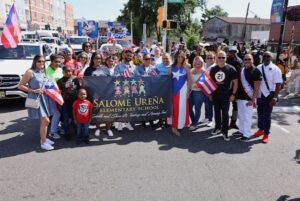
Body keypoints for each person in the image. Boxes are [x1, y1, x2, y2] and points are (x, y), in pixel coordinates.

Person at [18, 55, 55, 151]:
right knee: (46, 120)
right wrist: (33, 91)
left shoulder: (43, 72)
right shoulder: (30, 72)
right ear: (35, 61)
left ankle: (43, 138)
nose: (41, 63)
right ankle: (43, 143)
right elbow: (20, 86)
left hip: (44, 98)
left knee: (43, 121)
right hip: (36, 98)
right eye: (39, 61)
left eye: (43, 61)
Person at [252, 51, 282, 144]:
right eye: (264, 56)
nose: (265, 57)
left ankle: (266, 133)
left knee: (267, 115)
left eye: (268, 56)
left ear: (271, 58)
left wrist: (275, 97)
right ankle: (260, 129)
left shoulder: (275, 69)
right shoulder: (258, 67)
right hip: (260, 94)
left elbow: (278, 85)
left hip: (270, 94)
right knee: (260, 113)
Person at [209, 51, 238, 141]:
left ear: (226, 58)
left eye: (223, 57)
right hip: (215, 95)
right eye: (219, 57)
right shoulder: (213, 69)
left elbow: (235, 83)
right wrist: (210, 93)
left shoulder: (231, 69)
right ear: (216, 58)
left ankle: (225, 131)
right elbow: (210, 83)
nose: (221, 59)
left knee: (225, 114)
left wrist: (233, 94)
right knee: (216, 112)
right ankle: (217, 127)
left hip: (226, 95)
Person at [236, 54, 262, 141]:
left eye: (249, 59)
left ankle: (246, 135)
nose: (247, 60)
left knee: (247, 117)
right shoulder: (242, 70)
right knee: (241, 116)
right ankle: (242, 130)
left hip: (249, 99)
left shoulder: (256, 71)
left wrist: (252, 100)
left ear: (252, 60)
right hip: (240, 98)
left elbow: (257, 88)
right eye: (245, 59)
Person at [170, 50, 191, 136]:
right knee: (175, 109)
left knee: (182, 109)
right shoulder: (171, 67)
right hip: (174, 91)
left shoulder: (186, 67)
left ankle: (181, 124)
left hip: (183, 90)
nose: (180, 58)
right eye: (179, 56)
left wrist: (188, 92)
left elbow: (189, 80)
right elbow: (167, 81)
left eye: (182, 57)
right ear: (176, 57)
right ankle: (174, 128)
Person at [57, 65, 81, 140]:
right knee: (66, 118)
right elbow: (58, 93)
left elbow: (79, 89)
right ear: (63, 72)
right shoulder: (60, 81)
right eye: (66, 71)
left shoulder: (75, 79)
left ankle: (77, 131)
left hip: (75, 102)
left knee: (75, 117)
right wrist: (59, 104)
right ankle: (67, 133)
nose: (68, 73)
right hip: (65, 103)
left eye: (69, 71)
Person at [114, 50, 135, 131]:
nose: (129, 57)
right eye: (127, 55)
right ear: (124, 56)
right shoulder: (118, 66)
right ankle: (120, 123)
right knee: (120, 107)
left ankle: (127, 123)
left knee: (128, 107)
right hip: (121, 89)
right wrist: (122, 75)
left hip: (130, 90)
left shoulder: (133, 67)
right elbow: (115, 76)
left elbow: (137, 77)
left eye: (130, 56)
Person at [45, 54, 63, 139]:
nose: (57, 63)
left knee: (58, 112)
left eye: (59, 62)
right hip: (50, 95)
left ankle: (57, 128)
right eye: (55, 61)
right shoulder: (46, 70)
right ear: (51, 61)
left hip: (59, 95)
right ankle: (52, 132)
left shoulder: (60, 69)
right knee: (56, 113)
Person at [189, 56, 208, 130]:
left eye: (199, 61)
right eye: (196, 61)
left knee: (197, 108)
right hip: (191, 91)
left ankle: (194, 124)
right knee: (189, 108)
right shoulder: (191, 70)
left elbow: (206, 83)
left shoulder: (204, 71)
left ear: (202, 62)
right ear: (194, 62)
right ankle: (194, 121)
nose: (197, 62)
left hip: (199, 93)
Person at [227, 46, 243, 130]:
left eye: (234, 52)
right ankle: (224, 122)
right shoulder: (225, 60)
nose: (232, 53)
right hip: (226, 85)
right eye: (231, 52)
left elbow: (241, 74)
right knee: (225, 104)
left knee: (235, 105)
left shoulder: (240, 61)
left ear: (236, 52)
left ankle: (233, 122)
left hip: (236, 85)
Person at [199, 51, 216, 127]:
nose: (209, 59)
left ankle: (210, 120)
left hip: (211, 89)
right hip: (204, 88)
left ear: (214, 59)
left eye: (211, 58)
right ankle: (206, 117)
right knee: (206, 104)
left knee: (210, 104)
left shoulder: (215, 67)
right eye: (208, 58)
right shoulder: (205, 66)